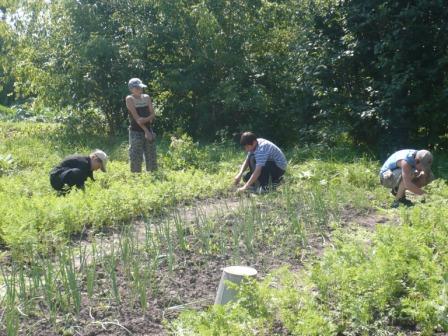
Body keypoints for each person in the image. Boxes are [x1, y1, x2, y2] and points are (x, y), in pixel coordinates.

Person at [125, 78, 157, 173]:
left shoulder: (147, 97)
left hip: (149, 129)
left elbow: (153, 114)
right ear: (131, 89)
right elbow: (137, 119)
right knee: (135, 155)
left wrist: (145, 121)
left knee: (151, 155)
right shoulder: (129, 99)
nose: (140, 89)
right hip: (135, 131)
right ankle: (136, 178)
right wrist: (146, 131)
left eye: (141, 87)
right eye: (137, 88)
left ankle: (153, 175)